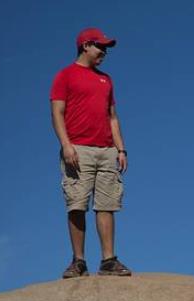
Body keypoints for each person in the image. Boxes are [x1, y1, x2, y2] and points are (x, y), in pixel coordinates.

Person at [50, 27, 132, 278]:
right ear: (85, 45)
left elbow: (113, 117)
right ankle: (78, 261)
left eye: (106, 48)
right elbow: (57, 113)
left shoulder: (106, 79)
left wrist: (121, 149)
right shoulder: (65, 75)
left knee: (107, 205)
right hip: (78, 149)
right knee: (76, 204)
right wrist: (66, 145)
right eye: (101, 46)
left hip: (106, 150)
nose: (104, 52)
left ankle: (108, 261)